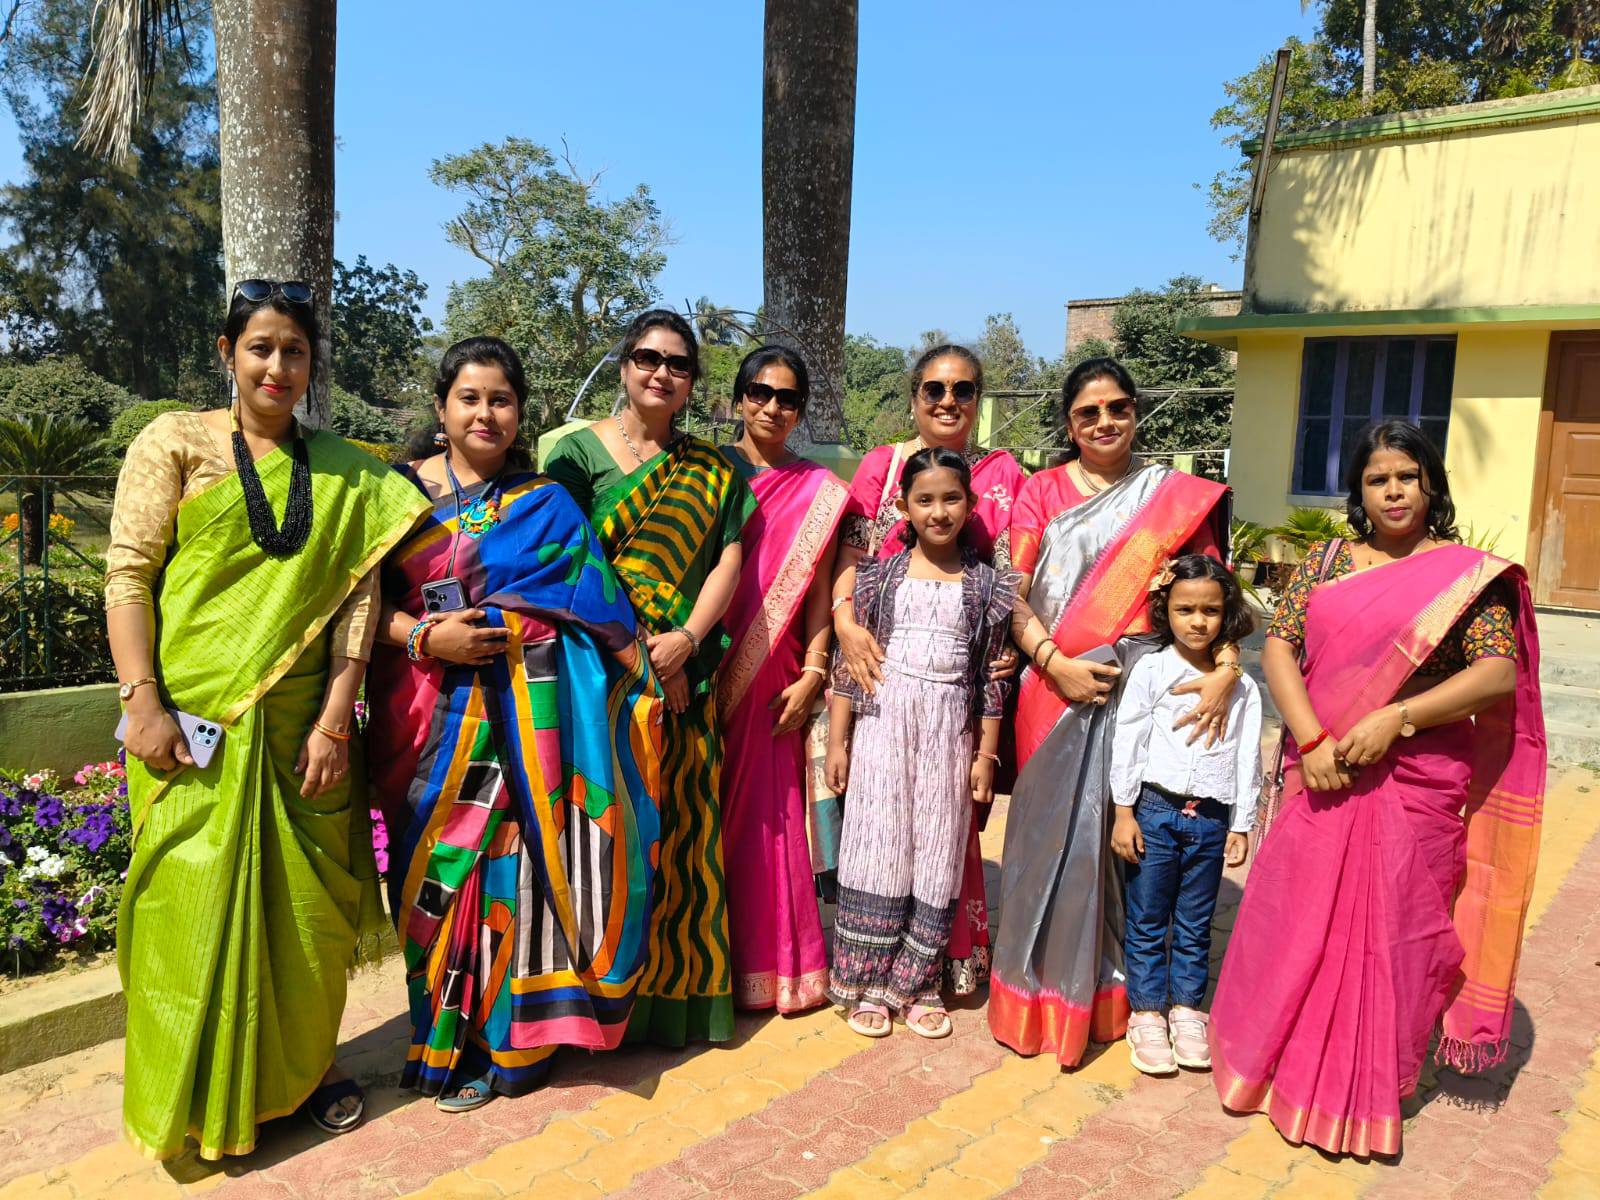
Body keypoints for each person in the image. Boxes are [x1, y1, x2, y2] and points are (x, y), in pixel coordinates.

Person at [105, 281, 430, 1160]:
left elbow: (357, 603)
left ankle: (306, 1070)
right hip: (190, 723)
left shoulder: (348, 473)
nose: (277, 367)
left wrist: (334, 721)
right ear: (228, 353)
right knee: (182, 911)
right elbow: (129, 574)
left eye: (295, 351)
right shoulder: (174, 442)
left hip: (300, 731)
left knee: (305, 917)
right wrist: (143, 701)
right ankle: (196, 1097)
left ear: (313, 363)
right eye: (261, 347)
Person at [1209, 419, 1544, 1157]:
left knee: (1393, 928)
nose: (1393, 492)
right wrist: (1311, 740)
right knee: (1298, 916)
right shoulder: (1327, 560)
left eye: (1406, 477)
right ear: (1358, 492)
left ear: (1430, 485)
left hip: (1416, 778)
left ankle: (1365, 1081)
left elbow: (1495, 674)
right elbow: (1280, 648)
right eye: (1376, 479)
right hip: (1322, 770)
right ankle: (1277, 1063)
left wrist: (1398, 717)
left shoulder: (1465, 577)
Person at [364, 337, 663, 1111]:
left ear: (519, 412)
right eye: (469, 398)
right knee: (434, 879)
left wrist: (531, 634)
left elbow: (597, 606)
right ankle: (439, 1037)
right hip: (423, 721)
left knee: (510, 875)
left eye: (500, 400)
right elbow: (356, 608)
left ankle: (507, 1046)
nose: (485, 414)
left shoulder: (545, 503)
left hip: (523, 724)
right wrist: (427, 638)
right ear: (441, 408)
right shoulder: (394, 497)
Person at [988, 356, 1237, 1069]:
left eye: (1118, 408)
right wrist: (1055, 664)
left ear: (1135, 412)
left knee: (1122, 845)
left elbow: (1212, 597)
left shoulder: (1173, 499)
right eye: (1088, 412)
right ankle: (1033, 994)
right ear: (1069, 424)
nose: (1104, 421)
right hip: (1052, 691)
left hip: (1145, 698)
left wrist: (1226, 672)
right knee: (1045, 843)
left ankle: (1119, 996)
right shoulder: (1040, 491)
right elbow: (1011, 593)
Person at [544, 309, 756, 1046]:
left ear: (693, 381)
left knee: (680, 834)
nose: (661, 372)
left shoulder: (714, 470)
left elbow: (728, 559)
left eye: (678, 363)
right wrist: (635, 649)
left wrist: (688, 641)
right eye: (647, 357)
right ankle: (591, 1005)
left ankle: (676, 1003)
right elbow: (565, 559)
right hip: (598, 675)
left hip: (681, 676)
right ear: (624, 365)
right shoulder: (576, 455)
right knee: (600, 835)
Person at [832, 343, 1024, 995]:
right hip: (884, 680)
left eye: (963, 390)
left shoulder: (1003, 475)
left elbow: (1018, 573)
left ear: (979, 399)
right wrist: (845, 624)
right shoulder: (883, 467)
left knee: (946, 834)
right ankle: (874, 968)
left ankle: (940, 968)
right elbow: (851, 559)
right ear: (914, 396)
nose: (948, 402)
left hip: (960, 690)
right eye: (934, 389)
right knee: (884, 831)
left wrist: (1012, 642)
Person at [716, 346, 848, 1014]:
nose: (772, 407)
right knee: (702, 818)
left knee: (770, 821)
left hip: (776, 672)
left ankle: (776, 966)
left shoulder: (818, 490)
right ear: (738, 397)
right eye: (760, 393)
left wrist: (815, 670)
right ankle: (702, 971)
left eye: (788, 398)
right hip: (700, 666)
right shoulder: (705, 472)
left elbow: (820, 590)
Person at [1107, 555, 1260, 1076]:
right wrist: (1124, 812)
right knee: (1148, 918)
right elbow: (1128, 741)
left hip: (1211, 820)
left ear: (1227, 613)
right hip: (1154, 812)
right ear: (1164, 610)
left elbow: (1247, 756)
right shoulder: (1151, 670)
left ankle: (1187, 1011)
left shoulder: (1242, 687)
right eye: (1185, 609)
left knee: (1195, 923)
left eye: (1211, 611)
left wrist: (1241, 823)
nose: (1198, 622)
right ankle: (1147, 1013)